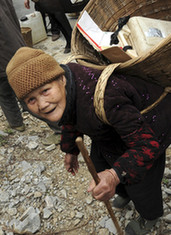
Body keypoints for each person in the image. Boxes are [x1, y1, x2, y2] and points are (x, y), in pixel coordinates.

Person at [6, 47, 171, 235]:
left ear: (61, 79)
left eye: (45, 91)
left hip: (145, 133)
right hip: (108, 134)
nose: (42, 105)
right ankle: (123, 193)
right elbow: (70, 115)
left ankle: (149, 217)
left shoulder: (107, 97)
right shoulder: (67, 86)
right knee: (100, 165)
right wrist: (70, 149)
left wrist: (114, 175)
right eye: (31, 99)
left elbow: (147, 145)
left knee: (142, 186)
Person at [0, 0, 25, 132]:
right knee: (25, 89)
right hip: (16, 48)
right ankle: (16, 122)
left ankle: (58, 128)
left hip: (5, 53)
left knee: (24, 92)